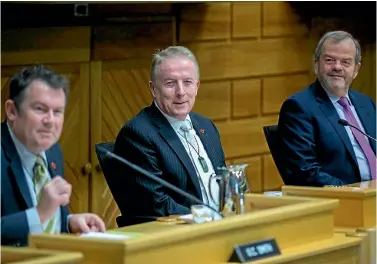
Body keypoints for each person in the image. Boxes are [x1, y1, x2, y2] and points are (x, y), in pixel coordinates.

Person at [111, 46, 226, 225]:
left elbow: (223, 183)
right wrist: (208, 219)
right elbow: (156, 204)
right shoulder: (138, 134)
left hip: (218, 225)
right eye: (170, 83)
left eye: (187, 82)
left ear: (197, 86)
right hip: (178, 233)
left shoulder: (206, 126)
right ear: (153, 89)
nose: (181, 92)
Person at [1, 65, 106, 246]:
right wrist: (39, 214)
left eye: (57, 112)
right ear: (12, 111)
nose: (50, 121)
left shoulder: (52, 151)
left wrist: (68, 221)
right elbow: (39, 213)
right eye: (40, 109)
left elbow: (46, 213)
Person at [278, 30, 376, 186]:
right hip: (343, 201)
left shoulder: (366, 104)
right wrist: (353, 192)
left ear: (356, 70)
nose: (337, 67)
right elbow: (304, 172)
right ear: (316, 65)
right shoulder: (299, 108)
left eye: (346, 62)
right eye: (330, 60)